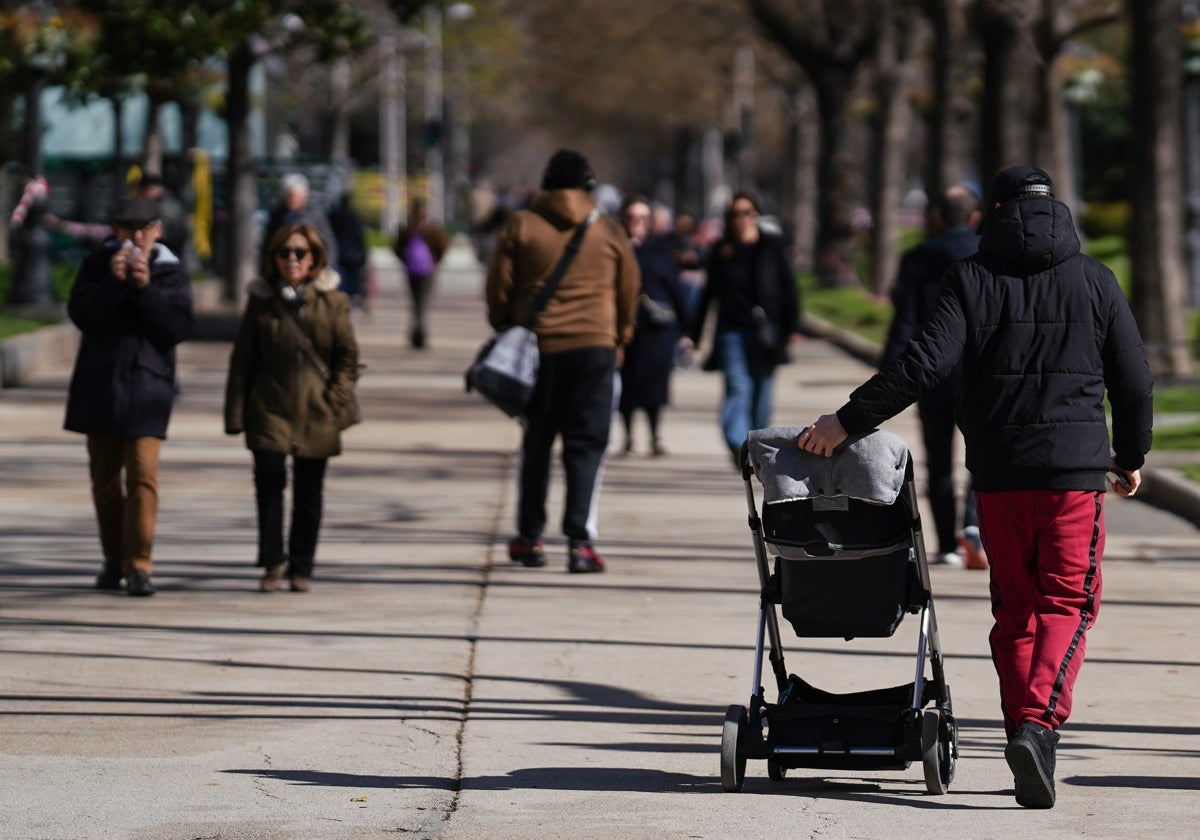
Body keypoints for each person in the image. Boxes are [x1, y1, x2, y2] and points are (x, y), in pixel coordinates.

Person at [797, 165, 1154, 809]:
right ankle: (1037, 726)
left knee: (1015, 605)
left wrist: (845, 421)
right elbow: (1134, 380)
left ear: (993, 210)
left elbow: (923, 363)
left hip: (997, 473)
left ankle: (1027, 726)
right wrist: (1130, 454)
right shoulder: (1096, 280)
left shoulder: (972, 277)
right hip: (1073, 476)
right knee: (1067, 604)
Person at [486, 149, 639, 573]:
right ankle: (579, 544)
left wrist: (506, 326)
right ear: (589, 186)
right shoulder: (608, 229)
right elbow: (629, 289)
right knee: (585, 446)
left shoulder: (521, 224)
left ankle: (530, 538)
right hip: (595, 350)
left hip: (539, 351)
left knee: (537, 443)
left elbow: (499, 286)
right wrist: (620, 337)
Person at [63, 196, 195, 596]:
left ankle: (139, 565)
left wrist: (143, 288)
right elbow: (82, 316)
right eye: (128, 229)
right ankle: (113, 558)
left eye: (145, 229)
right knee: (104, 481)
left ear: (157, 230)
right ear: (114, 231)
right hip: (100, 386)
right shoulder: (95, 265)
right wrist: (112, 284)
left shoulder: (170, 272)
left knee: (142, 476)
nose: (137, 238)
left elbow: (177, 327)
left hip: (148, 388)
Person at [224, 223, 359, 593]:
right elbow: (243, 361)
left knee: (309, 491)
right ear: (274, 259)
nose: (292, 260)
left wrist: (334, 398)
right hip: (269, 408)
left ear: (314, 258)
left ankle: (302, 566)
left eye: (301, 253)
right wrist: (236, 414)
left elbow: (348, 357)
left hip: (317, 411)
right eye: (284, 253)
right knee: (269, 483)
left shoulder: (333, 302)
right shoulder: (262, 302)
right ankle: (272, 562)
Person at [880, 184, 987, 568]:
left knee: (939, 461)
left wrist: (888, 376)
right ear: (976, 218)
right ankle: (976, 526)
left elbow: (905, 319)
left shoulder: (918, 258)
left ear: (939, 218)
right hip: (983, 375)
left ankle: (947, 545)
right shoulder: (987, 256)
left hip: (933, 372)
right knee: (984, 457)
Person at [689, 190, 803, 465]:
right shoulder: (722, 250)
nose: (741, 219)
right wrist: (693, 332)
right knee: (738, 387)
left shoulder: (771, 246)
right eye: (735, 214)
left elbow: (789, 289)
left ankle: (756, 443)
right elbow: (708, 295)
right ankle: (738, 443)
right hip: (731, 331)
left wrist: (792, 327)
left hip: (767, 333)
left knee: (762, 392)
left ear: (756, 216)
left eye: (747, 213)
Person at [616, 194, 690, 456]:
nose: (637, 223)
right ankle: (627, 437)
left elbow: (675, 289)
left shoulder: (660, 250)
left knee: (655, 385)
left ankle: (655, 435)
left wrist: (687, 328)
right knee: (626, 386)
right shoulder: (614, 248)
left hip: (656, 330)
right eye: (632, 218)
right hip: (623, 329)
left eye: (643, 218)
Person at [393, 197, 448, 349]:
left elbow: (397, 248)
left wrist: (406, 261)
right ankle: (420, 335)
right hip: (427, 270)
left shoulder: (406, 228)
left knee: (415, 303)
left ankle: (416, 334)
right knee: (422, 303)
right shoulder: (432, 228)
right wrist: (435, 261)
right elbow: (443, 247)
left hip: (412, 270)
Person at [262, 172, 338, 272]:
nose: (294, 201)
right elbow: (268, 244)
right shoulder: (277, 215)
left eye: (297, 197)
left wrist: (327, 267)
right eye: (290, 197)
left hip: (309, 268)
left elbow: (329, 243)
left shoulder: (314, 214)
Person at [327, 191, 368, 308]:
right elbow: (360, 238)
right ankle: (347, 299)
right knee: (349, 281)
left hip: (342, 254)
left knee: (342, 280)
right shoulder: (354, 218)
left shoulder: (334, 216)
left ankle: (344, 300)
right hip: (352, 255)